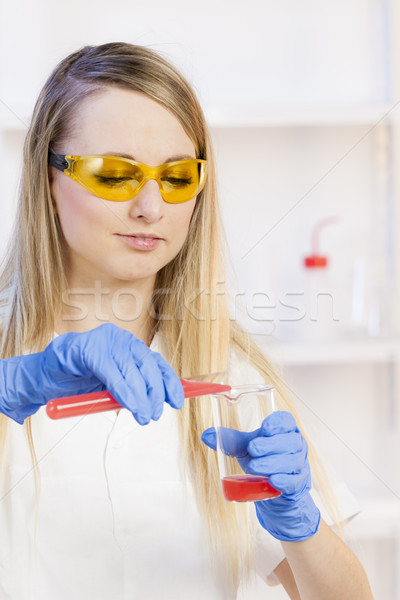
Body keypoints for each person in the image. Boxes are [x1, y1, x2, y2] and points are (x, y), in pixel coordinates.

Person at [0, 42, 373, 599]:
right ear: (48, 181)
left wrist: (304, 526)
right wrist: (14, 385)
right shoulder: (12, 361)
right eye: (114, 173)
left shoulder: (233, 374)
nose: (151, 207)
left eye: (176, 177)